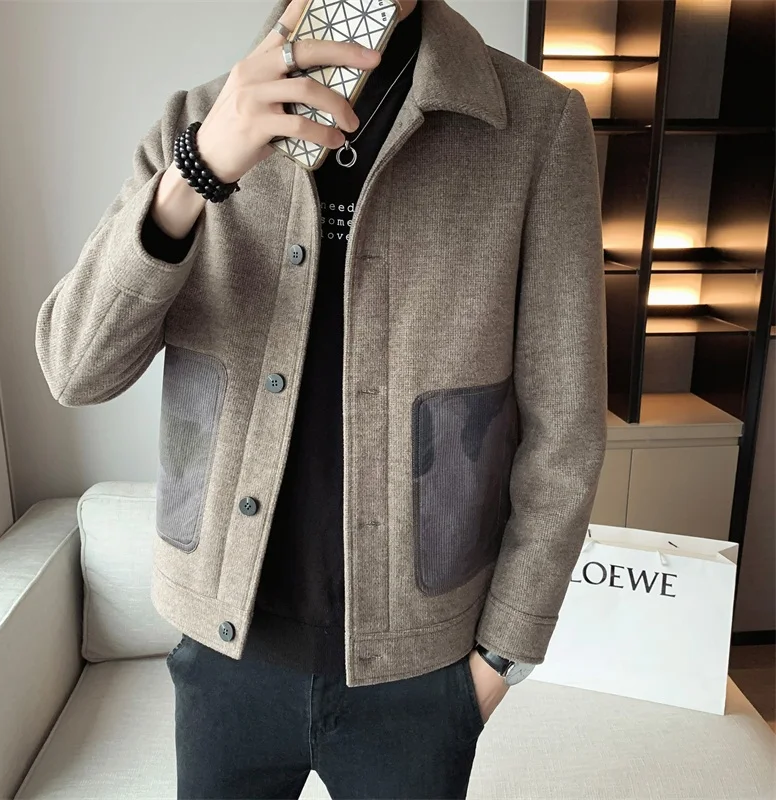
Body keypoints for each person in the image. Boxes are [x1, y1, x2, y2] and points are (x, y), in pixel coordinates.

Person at [35, 0, 608, 796]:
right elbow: (75, 369)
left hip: (422, 675)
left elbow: (565, 429)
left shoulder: (533, 128)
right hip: (224, 658)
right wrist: (198, 171)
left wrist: (501, 658)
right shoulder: (198, 119)